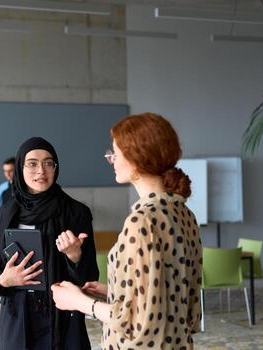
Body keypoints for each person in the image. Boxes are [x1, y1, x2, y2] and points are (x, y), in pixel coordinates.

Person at [51, 113, 202, 350]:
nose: (111, 159)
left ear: (136, 157)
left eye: (115, 153)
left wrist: (79, 302)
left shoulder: (142, 221)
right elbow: (178, 301)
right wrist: (114, 290)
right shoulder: (184, 214)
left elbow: (134, 322)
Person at [0, 137, 99, 350]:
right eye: (32, 163)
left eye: (48, 163)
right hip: (18, 319)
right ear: (20, 167)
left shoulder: (76, 213)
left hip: (63, 318)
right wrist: (4, 280)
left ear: (56, 168)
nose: (41, 171)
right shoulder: (7, 212)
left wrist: (75, 257)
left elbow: (90, 278)